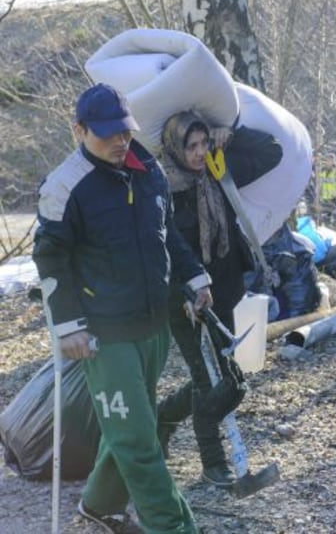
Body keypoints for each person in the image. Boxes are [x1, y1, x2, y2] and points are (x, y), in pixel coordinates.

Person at [32, 84, 213, 534]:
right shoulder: (64, 185)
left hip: (153, 323)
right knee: (138, 440)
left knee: (134, 424)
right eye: (107, 134)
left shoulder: (148, 170)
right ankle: (173, 527)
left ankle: (98, 505)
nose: (120, 142)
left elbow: (166, 233)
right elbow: (50, 260)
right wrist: (68, 326)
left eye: (125, 132)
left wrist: (194, 278)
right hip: (101, 334)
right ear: (79, 130)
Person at [157, 110, 283, 487]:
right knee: (205, 380)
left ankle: (163, 415)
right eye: (191, 146)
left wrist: (232, 133)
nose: (198, 153)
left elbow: (272, 153)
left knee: (233, 379)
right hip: (181, 296)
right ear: (175, 148)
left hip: (223, 289)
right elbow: (166, 246)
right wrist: (188, 286)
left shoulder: (217, 170)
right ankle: (215, 466)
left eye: (203, 143)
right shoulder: (161, 188)